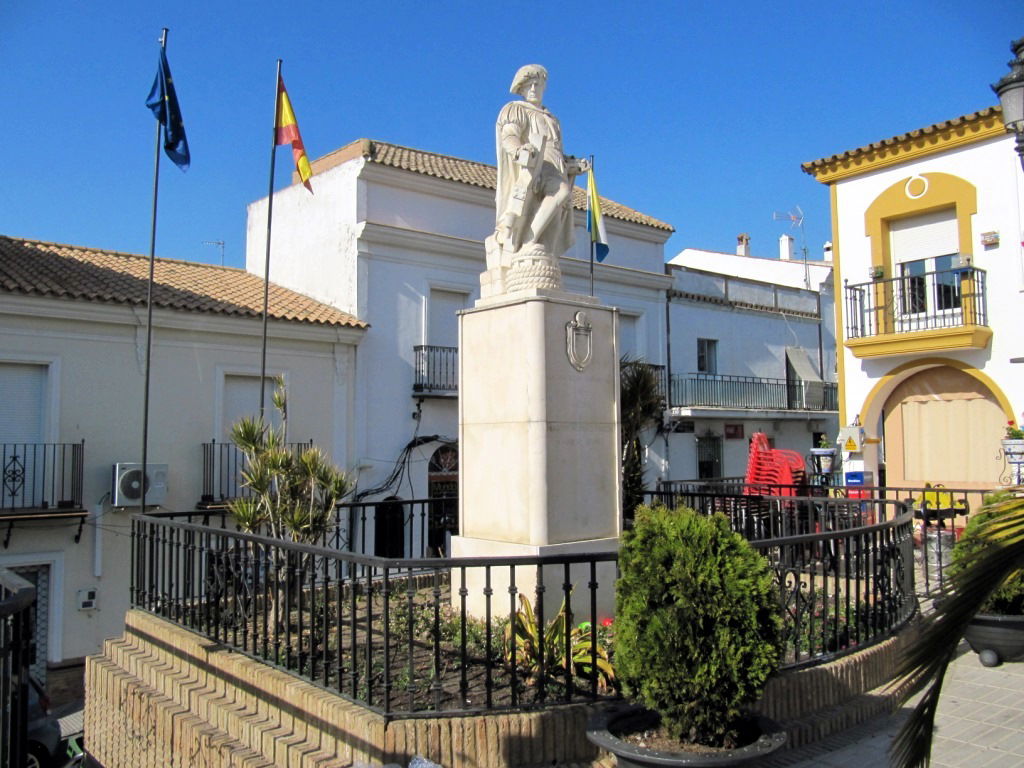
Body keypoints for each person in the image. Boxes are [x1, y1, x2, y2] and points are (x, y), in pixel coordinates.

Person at [493, 64, 588, 259]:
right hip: (537, 163)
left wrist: (573, 165)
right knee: (560, 192)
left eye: (538, 84)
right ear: (522, 89)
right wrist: (519, 150)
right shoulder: (516, 110)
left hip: (556, 166)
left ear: (544, 86)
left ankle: (541, 250)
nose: (534, 89)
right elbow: (509, 136)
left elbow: (558, 150)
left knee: (556, 215)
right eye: (529, 86)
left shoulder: (552, 119)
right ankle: (529, 238)